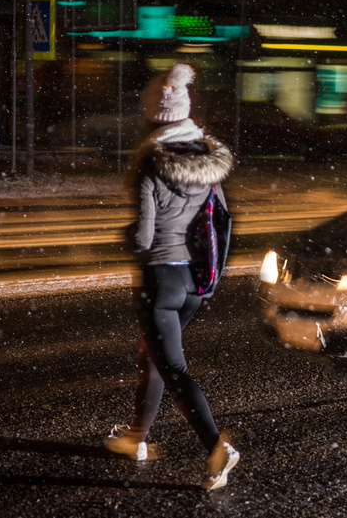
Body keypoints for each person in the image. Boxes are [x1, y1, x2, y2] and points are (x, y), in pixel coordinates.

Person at [105, 62, 239, 491]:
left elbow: (144, 236)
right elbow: (215, 220)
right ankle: (136, 439)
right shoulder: (206, 161)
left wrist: (126, 238)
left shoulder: (150, 162)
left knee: (174, 368)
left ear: (152, 115)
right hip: (192, 284)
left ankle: (217, 447)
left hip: (160, 282)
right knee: (155, 357)